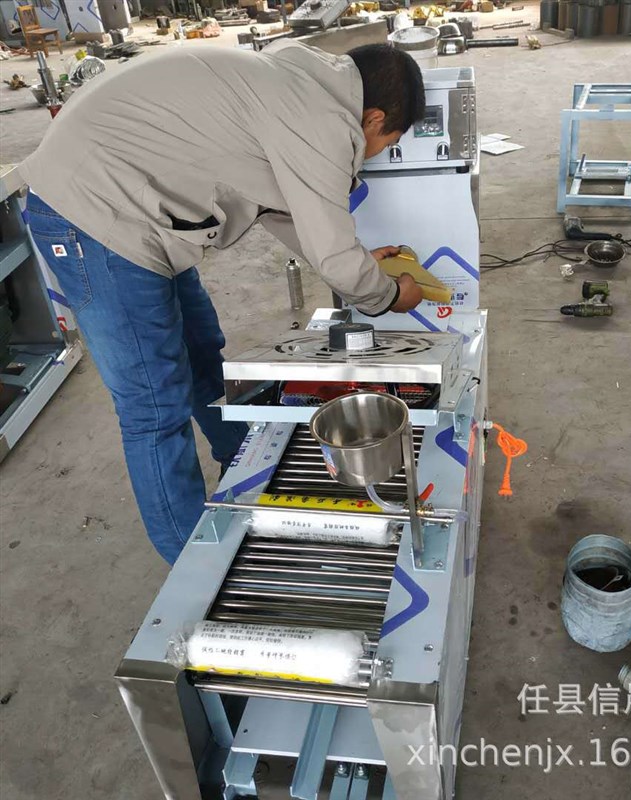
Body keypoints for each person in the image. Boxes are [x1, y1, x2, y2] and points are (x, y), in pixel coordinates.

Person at [20, 41, 426, 564]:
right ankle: (193, 565)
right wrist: (390, 293)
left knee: (201, 354)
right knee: (153, 405)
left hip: (135, 205)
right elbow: (332, 254)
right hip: (95, 216)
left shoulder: (302, 87)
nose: (378, 153)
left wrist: (356, 258)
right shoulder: (323, 120)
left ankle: (245, 466)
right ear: (373, 118)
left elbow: (288, 210)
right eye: (387, 142)